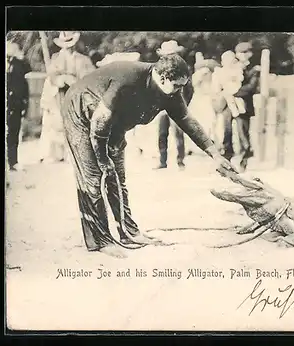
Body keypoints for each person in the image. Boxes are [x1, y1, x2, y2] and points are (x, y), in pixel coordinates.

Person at [61, 54, 239, 258]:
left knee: (118, 177)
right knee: (94, 178)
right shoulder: (128, 79)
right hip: (82, 112)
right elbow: (99, 124)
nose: (179, 92)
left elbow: (188, 122)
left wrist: (215, 155)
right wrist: (102, 159)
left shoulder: (169, 91)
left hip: (113, 123)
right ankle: (100, 240)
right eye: (177, 86)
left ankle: (129, 232)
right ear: (162, 78)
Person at [39, 31, 96, 163]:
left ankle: (75, 153)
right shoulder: (55, 58)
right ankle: (57, 154)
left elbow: (90, 77)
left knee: (77, 122)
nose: (68, 46)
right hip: (60, 95)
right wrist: (61, 79)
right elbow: (52, 77)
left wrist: (74, 81)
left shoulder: (83, 59)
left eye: (70, 43)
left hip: (76, 95)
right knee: (57, 123)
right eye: (65, 44)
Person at [155, 40, 193, 170]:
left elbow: (189, 90)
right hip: (161, 107)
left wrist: (184, 104)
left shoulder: (184, 68)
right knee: (162, 133)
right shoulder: (159, 68)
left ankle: (180, 161)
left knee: (178, 134)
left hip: (177, 106)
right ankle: (162, 161)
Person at [233, 42, 260, 171]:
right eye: (240, 53)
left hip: (244, 105)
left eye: (244, 53)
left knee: (243, 133)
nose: (241, 56)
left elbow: (251, 88)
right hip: (232, 104)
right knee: (229, 132)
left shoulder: (254, 69)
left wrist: (234, 91)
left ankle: (244, 161)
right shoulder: (235, 67)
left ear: (250, 54)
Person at [6, 39, 31, 171]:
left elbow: (28, 69)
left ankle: (13, 161)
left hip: (15, 103)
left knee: (13, 133)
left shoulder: (18, 63)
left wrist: (20, 56)